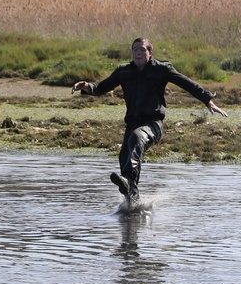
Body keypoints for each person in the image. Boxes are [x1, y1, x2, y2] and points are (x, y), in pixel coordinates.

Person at [74, 37, 227, 199]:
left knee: (136, 139)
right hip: (132, 124)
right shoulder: (123, 71)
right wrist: (85, 86)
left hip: (153, 124)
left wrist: (207, 100)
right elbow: (100, 87)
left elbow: (187, 84)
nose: (138, 53)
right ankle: (132, 199)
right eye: (135, 50)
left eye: (142, 50)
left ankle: (128, 181)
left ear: (150, 52)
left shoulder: (161, 69)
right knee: (125, 155)